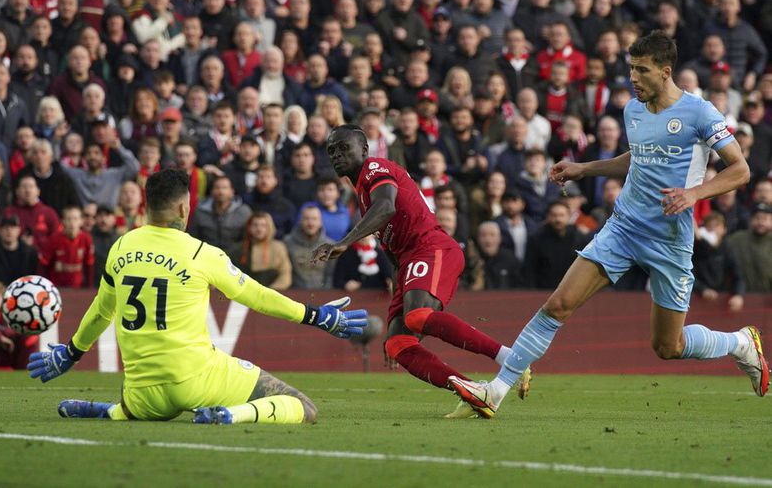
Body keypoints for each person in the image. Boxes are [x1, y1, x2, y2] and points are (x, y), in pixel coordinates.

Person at [447, 31, 767, 419]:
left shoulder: (699, 113)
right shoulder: (633, 110)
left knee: (669, 346)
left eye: (642, 70)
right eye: (631, 69)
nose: (633, 78)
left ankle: (739, 344)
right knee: (558, 304)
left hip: (669, 238)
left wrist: (695, 194)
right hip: (624, 227)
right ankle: (495, 391)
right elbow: (638, 157)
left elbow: (741, 170)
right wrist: (585, 168)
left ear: (666, 72)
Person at [27, 169, 367, 424]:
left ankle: (112, 412)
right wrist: (315, 315)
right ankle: (232, 416)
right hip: (197, 381)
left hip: (142, 392)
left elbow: (102, 310)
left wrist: (71, 354)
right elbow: (256, 295)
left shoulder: (121, 246)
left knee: (139, 403)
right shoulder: (202, 253)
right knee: (303, 407)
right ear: (182, 208)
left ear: (146, 206)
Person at [312, 124, 530, 418]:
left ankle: (511, 358)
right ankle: (476, 393)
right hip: (409, 261)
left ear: (364, 150)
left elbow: (387, 207)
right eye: (331, 151)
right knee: (398, 343)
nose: (336, 155)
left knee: (417, 317)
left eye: (343, 148)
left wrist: (344, 243)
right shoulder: (362, 193)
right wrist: (396, 303)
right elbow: (392, 248)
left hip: (432, 247)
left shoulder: (375, 167)